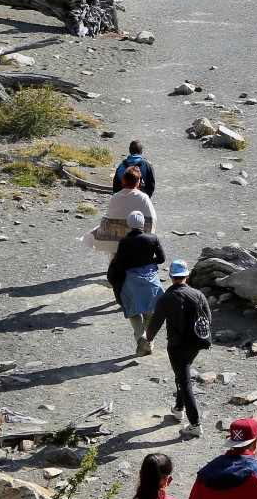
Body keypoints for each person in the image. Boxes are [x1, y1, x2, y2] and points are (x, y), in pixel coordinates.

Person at [146, 259, 213, 437]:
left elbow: (156, 321)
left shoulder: (167, 297)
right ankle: (178, 408)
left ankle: (195, 424)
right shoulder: (198, 294)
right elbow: (208, 318)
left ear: (171, 276)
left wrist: (149, 339)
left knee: (185, 381)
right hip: (196, 344)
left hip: (176, 346)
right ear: (187, 275)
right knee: (181, 374)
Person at [108, 213, 167, 358]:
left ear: (129, 224)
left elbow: (119, 263)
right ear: (143, 224)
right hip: (150, 280)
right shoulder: (153, 238)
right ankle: (149, 340)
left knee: (133, 311)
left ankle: (141, 337)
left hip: (131, 282)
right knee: (150, 312)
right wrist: (147, 261)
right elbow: (161, 258)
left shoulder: (124, 242)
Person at [89, 165, 158, 253]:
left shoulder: (116, 197)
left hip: (117, 249)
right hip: (138, 247)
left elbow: (107, 220)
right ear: (138, 181)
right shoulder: (143, 198)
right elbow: (152, 221)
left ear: (123, 181)